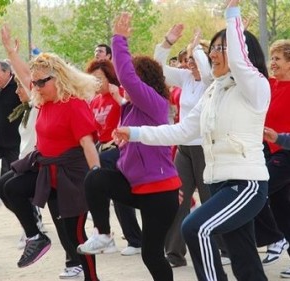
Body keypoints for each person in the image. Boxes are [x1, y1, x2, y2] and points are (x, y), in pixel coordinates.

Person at [113, 1, 270, 280]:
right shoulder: (212, 92)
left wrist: (231, 15)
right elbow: (181, 130)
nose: (214, 55)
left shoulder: (254, 87)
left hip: (246, 185)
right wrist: (135, 133)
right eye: (213, 49)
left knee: (196, 227)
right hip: (220, 182)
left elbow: (240, 63)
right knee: (243, 256)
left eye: (222, 48)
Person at [77, 12, 181, 281]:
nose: (126, 82)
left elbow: (125, 77)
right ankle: (103, 235)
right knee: (96, 178)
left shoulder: (155, 102)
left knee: (152, 255)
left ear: (142, 80)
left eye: (133, 77)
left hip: (159, 194)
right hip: (138, 187)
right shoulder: (133, 108)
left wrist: (119, 40)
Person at [0, 51, 101, 281]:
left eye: (43, 81)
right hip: (46, 170)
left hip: (71, 177)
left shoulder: (74, 104)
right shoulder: (43, 101)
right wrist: (12, 53)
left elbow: (88, 144)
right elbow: (25, 77)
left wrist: (96, 178)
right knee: (8, 187)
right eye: (35, 82)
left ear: (59, 78)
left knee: (75, 237)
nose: (37, 86)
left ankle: (92, 278)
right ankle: (36, 237)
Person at [154, 25, 213, 268]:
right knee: (178, 198)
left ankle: (223, 247)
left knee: (211, 199)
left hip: (206, 148)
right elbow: (158, 67)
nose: (189, 64)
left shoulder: (212, 80)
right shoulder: (186, 78)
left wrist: (196, 47)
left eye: (193, 59)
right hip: (184, 147)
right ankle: (174, 253)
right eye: (187, 60)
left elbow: (205, 67)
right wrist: (167, 42)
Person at [85, 58, 142, 256]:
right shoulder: (94, 101)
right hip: (104, 148)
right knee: (116, 195)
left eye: (99, 79)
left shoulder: (118, 94)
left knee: (96, 173)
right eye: (93, 80)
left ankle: (125, 238)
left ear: (109, 78)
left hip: (121, 149)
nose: (96, 83)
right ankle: (119, 237)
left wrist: (117, 95)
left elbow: (131, 112)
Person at [253, 38, 290, 276]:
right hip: (269, 151)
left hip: (286, 153)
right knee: (282, 209)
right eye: (271, 58)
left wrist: (279, 138)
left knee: (257, 190)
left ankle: (272, 238)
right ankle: (277, 238)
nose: (272, 63)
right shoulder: (270, 85)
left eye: (277, 59)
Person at [0, 59, 22, 207]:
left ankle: (35, 220)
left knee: (19, 183)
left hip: (17, 144)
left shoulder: (18, 87)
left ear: (8, 72)